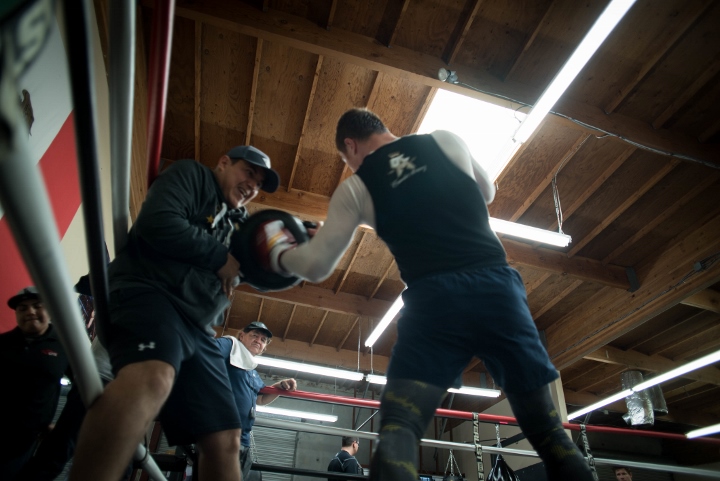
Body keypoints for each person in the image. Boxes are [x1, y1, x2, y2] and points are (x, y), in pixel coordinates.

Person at [257, 108, 595, 480]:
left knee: (399, 429)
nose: (350, 166)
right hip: (498, 290)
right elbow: (487, 191)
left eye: (345, 159)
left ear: (350, 146)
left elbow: (317, 266)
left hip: (435, 301)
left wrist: (277, 248)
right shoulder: (444, 139)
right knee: (548, 433)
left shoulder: (356, 187)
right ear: (383, 129)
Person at [70, 145, 281, 481]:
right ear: (223, 162)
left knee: (227, 437)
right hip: (149, 292)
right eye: (248, 172)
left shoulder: (240, 226)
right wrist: (218, 257)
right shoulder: (192, 176)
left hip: (195, 326)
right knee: (154, 377)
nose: (252, 184)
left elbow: (263, 276)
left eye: (259, 182)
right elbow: (158, 222)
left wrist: (293, 251)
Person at [0, 287, 71, 480]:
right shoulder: (3, 343)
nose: (30, 312)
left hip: (26, 438)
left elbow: (82, 391)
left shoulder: (65, 346)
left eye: (37, 306)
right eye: (22, 308)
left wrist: (61, 424)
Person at [215, 321, 298, 479]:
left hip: (243, 441)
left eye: (263, 340)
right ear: (242, 335)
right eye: (254, 335)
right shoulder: (230, 345)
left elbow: (260, 399)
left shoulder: (251, 371)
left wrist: (279, 387)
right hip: (222, 435)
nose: (258, 341)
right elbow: (207, 351)